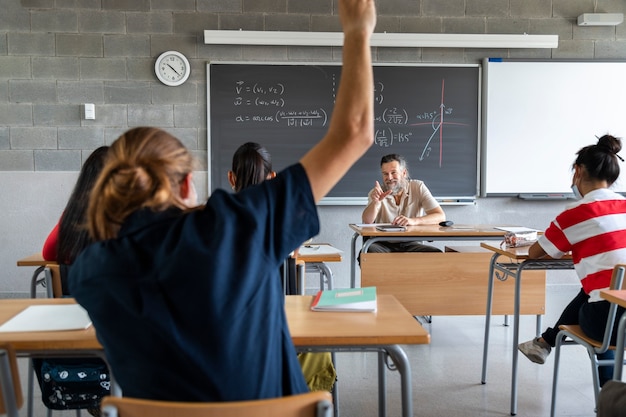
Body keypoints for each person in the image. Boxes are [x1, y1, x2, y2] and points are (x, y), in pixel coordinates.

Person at [68, 0, 375, 403]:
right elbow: (355, 132)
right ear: (185, 185)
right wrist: (358, 30)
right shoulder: (243, 223)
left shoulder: (90, 273)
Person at [518, 134, 626, 387]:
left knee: (596, 297)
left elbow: (536, 253)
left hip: (609, 322)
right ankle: (545, 342)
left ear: (577, 171)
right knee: (598, 291)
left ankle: (608, 397)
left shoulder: (575, 214)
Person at [228, 141, 336, 393]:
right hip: (271, 353)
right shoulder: (287, 229)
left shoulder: (208, 226)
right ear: (273, 178)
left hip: (227, 354)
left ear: (231, 178)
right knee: (320, 348)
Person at [38, 146, 111, 415]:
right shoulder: (128, 218)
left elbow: (48, 252)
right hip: (121, 333)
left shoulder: (75, 216)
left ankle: (97, 400)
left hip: (77, 324)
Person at [361, 153, 446, 253]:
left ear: (404, 173)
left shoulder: (418, 187)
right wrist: (376, 203)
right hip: (382, 243)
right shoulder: (377, 193)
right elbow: (367, 221)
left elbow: (440, 216)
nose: (389, 177)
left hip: (411, 243)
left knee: (435, 254)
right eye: (385, 174)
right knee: (369, 251)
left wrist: (413, 221)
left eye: (393, 172)